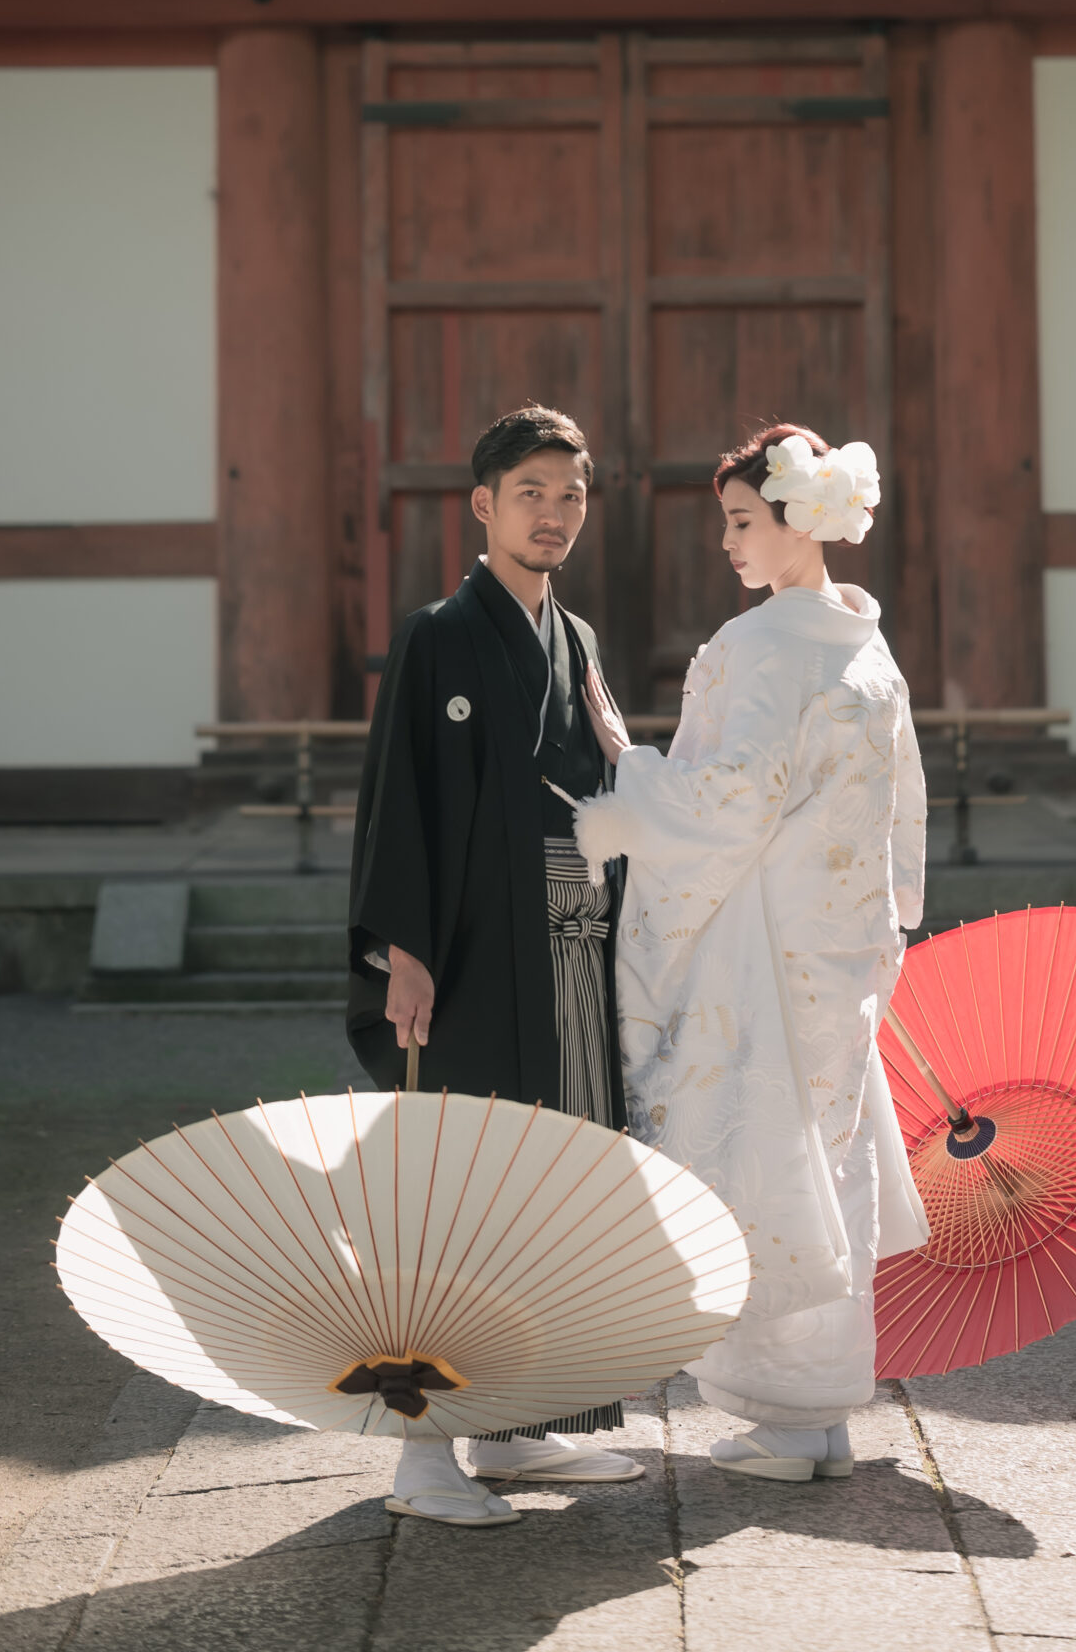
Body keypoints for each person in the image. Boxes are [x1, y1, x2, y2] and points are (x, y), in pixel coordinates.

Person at [574, 422, 929, 1483]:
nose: (728, 543)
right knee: (824, 1153)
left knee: (758, 1150)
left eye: (740, 520)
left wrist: (625, 781)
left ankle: (782, 1413)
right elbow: (899, 808)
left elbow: (731, 801)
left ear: (795, 521)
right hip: (840, 939)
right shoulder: (865, 641)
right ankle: (817, 1412)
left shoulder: (759, 644)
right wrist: (885, 917)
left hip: (760, 933)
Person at [346, 403, 641, 1526]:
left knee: (555, 1183)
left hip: (567, 947)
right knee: (454, 1197)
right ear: (481, 504)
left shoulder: (579, 641)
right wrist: (401, 955)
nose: (554, 513)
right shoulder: (437, 633)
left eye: (570, 495)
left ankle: (520, 1426)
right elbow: (399, 804)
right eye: (531, 492)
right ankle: (423, 1455)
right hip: (465, 955)